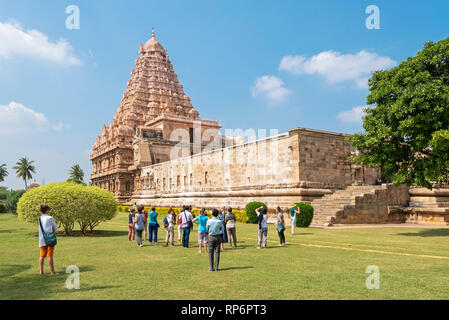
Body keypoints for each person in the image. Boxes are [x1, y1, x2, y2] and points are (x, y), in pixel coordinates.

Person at [38, 204, 58, 275]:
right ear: (46, 210)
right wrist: (51, 230)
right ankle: (52, 271)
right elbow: (55, 227)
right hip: (50, 238)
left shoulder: (39, 218)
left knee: (42, 255)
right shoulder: (50, 218)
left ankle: (41, 271)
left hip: (42, 239)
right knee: (50, 255)